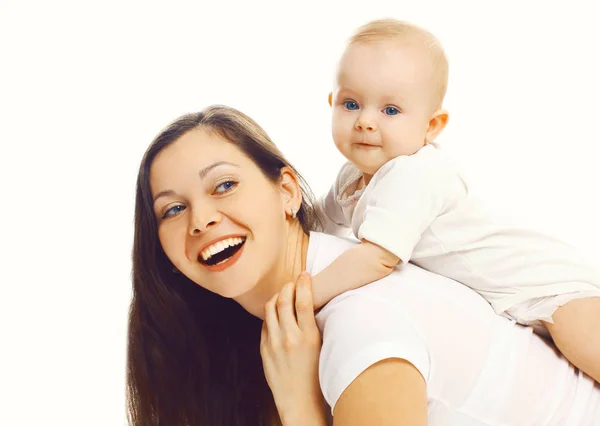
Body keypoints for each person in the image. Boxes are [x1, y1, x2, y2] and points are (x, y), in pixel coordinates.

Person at [127, 105, 599, 425]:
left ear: (287, 192)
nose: (201, 219)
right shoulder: (286, 334)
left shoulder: (361, 325)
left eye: (224, 186)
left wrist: (302, 409)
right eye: (172, 209)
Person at [309, 19, 600, 382]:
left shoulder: (413, 174)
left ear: (432, 126)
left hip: (549, 284)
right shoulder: (351, 178)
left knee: (585, 343)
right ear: (331, 103)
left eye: (390, 110)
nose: (366, 121)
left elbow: (377, 258)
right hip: (511, 301)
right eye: (351, 103)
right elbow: (315, 220)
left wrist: (306, 294)